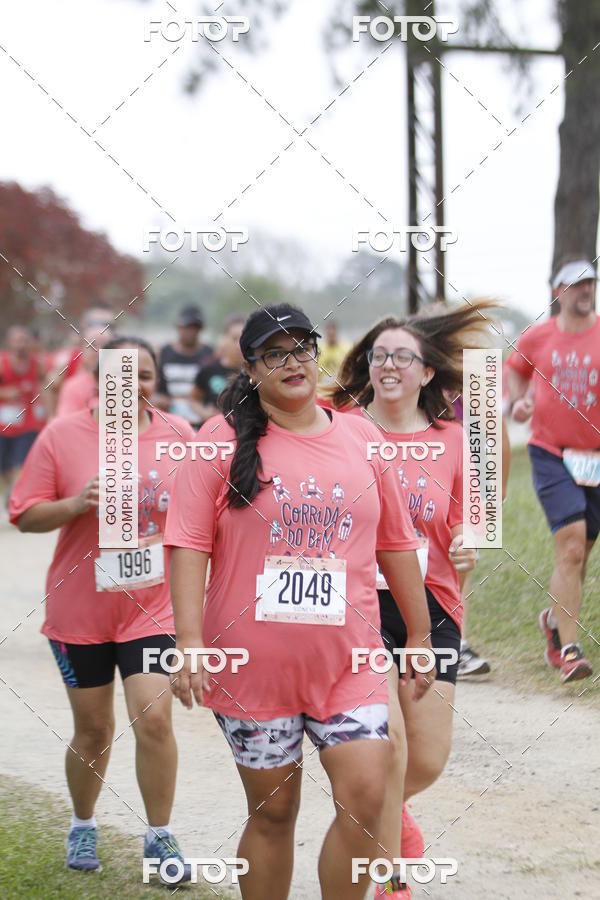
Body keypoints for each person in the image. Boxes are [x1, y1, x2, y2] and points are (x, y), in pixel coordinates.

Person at [164, 303, 433, 900]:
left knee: (367, 795)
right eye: (274, 353)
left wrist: (419, 634)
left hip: (349, 659)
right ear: (252, 367)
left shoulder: (362, 436)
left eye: (302, 348)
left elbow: (394, 542)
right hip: (253, 665)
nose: (293, 362)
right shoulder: (219, 441)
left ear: (319, 354)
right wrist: (188, 643)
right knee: (273, 812)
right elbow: (186, 543)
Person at [328, 301, 499, 896]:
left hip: (432, 608)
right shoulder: (339, 428)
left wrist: (466, 542)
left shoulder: (455, 441)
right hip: (360, 606)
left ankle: (384, 812)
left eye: (404, 356)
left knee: (424, 758)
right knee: (390, 745)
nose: (390, 364)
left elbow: (467, 524)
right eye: (379, 355)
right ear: (368, 366)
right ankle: (392, 874)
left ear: (427, 373)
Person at [9, 337, 195, 881]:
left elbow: (199, 517)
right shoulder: (63, 437)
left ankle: (159, 837)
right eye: (121, 374)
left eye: (145, 375)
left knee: (154, 719)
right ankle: (82, 822)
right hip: (81, 611)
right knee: (93, 730)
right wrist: (75, 504)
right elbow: (24, 515)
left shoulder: (179, 435)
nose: (134, 386)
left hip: (151, 609)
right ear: (95, 378)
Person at [507, 258, 599, 682]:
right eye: (577, 284)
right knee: (572, 548)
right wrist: (520, 401)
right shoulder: (539, 335)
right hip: (551, 453)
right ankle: (570, 649)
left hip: (595, 457)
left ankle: (554, 621)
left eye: (591, 284)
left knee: (579, 556)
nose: (586, 290)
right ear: (559, 291)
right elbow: (515, 368)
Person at [451, 393, 511, 678]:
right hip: (417, 469)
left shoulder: (472, 373)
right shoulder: (408, 364)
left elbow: (496, 429)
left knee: (461, 561)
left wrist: (496, 493)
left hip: (464, 479)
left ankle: (456, 644)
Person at [0, 325, 47, 505]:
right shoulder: (2, 362)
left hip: (28, 423)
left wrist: (47, 413)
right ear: (9, 343)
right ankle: (9, 489)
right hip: (3, 424)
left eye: (25, 341)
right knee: (4, 465)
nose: (22, 345)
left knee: (21, 461)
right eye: (18, 340)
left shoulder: (37, 363)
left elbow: (44, 388)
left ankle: (14, 494)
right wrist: (6, 393)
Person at [155, 304, 213, 427]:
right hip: (170, 421)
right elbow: (155, 389)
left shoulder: (209, 354)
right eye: (187, 326)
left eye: (195, 327)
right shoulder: (164, 353)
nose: (191, 331)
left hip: (202, 423)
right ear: (178, 326)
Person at [191, 314, 245, 421]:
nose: (238, 346)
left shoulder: (255, 373)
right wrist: (204, 413)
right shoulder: (208, 370)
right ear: (224, 339)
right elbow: (193, 400)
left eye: (243, 339)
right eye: (234, 339)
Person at [54, 327, 111, 417]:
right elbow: (51, 386)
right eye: (93, 345)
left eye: (105, 346)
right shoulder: (72, 383)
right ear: (82, 349)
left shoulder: (128, 382)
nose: (99, 350)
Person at [318, 319, 350, 384]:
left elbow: (350, 368)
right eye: (329, 331)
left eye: (333, 330)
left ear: (336, 331)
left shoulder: (346, 348)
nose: (331, 333)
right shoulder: (319, 349)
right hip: (323, 387)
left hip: (341, 385)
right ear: (325, 332)